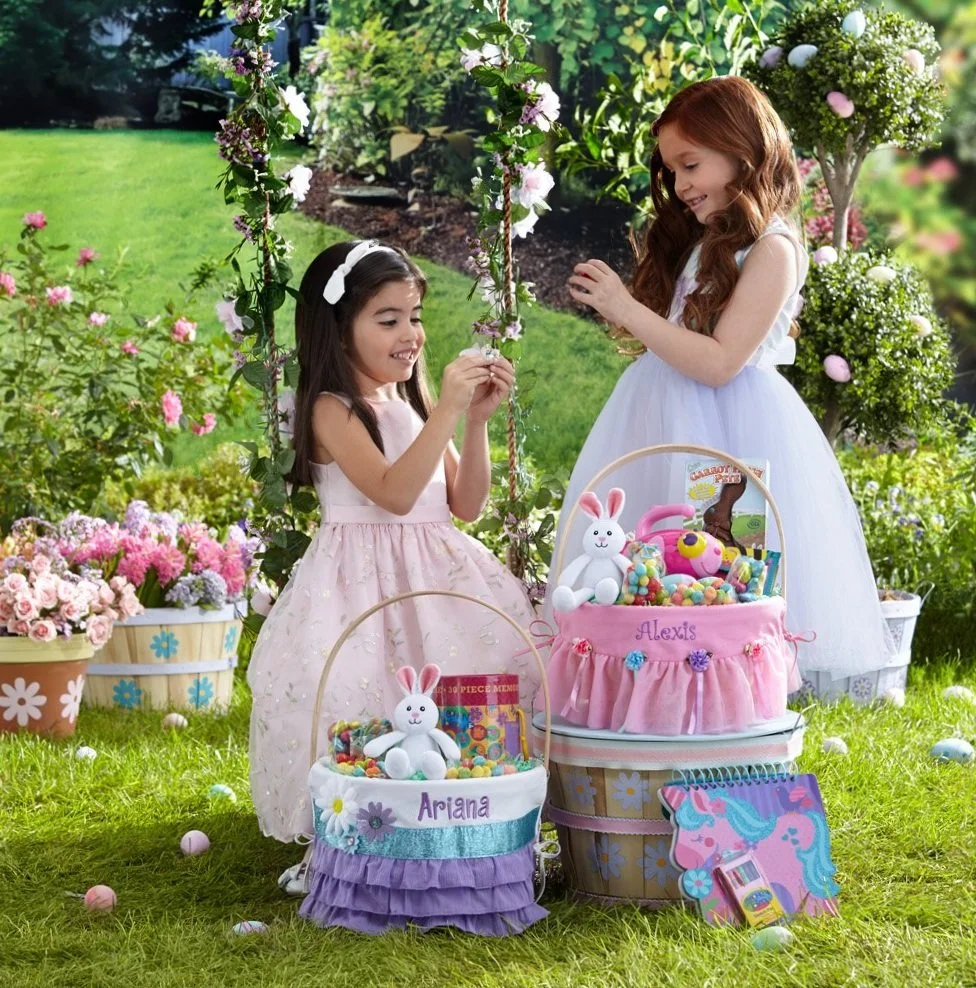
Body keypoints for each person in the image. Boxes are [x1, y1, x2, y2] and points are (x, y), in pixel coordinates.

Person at [551, 75, 893, 685]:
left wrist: (626, 307)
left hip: (730, 424)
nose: (680, 186)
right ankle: (652, 669)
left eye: (691, 166)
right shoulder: (707, 239)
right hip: (659, 409)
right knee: (660, 553)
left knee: (722, 557)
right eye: (672, 172)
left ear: (741, 150)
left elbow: (720, 361)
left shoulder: (772, 248)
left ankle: (729, 681)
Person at [248, 240, 537, 891]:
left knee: (459, 685)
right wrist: (447, 410)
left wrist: (475, 422)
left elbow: (463, 502)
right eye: (389, 319)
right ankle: (350, 833)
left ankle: (447, 818)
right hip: (361, 590)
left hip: (435, 581)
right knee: (366, 697)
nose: (411, 334)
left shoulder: (407, 404)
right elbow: (394, 492)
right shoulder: (333, 408)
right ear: (339, 327)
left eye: (415, 316)